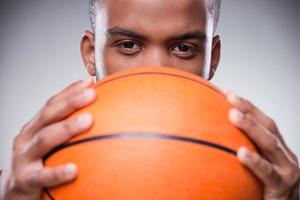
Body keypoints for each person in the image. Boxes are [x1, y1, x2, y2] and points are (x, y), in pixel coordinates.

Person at [0, 0, 299, 199]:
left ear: (212, 58)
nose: (155, 69)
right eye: (129, 45)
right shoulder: (27, 184)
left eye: (183, 48)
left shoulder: (262, 180)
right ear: (91, 54)